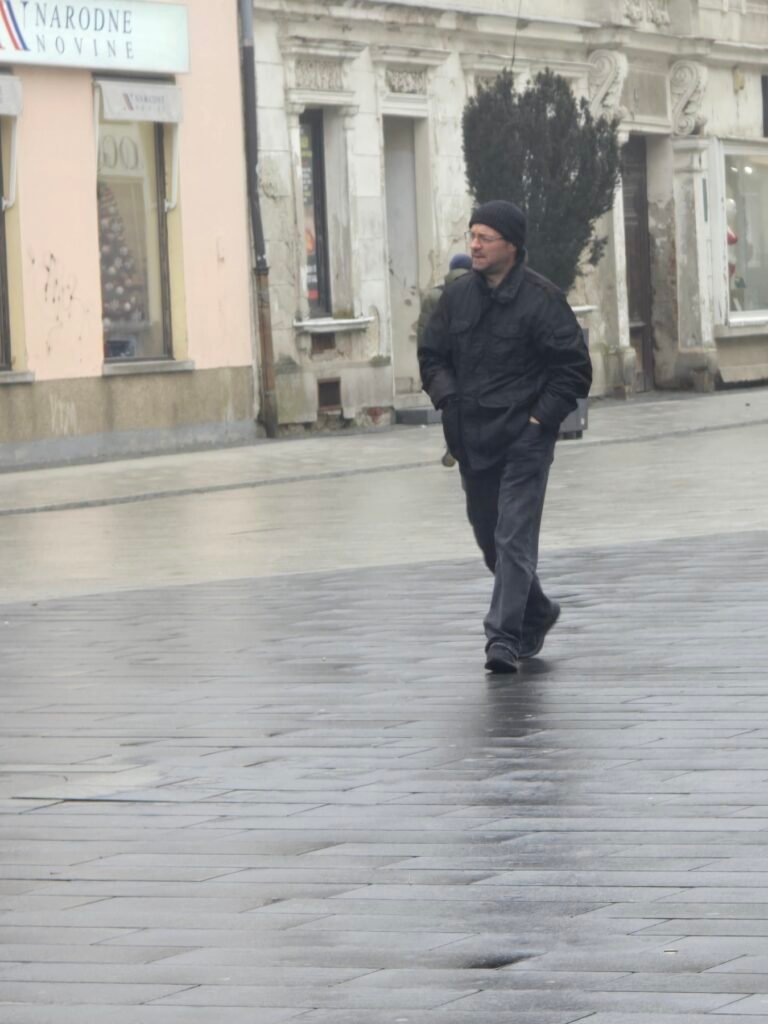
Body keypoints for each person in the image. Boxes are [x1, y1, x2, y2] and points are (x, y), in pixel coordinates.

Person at [418, 199, 592, 674]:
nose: (474, 245)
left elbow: (574, 370)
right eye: (472, 236)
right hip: (472, 438)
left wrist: (539, 422)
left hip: (524, 441)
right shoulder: (456, 298)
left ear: (510, 245)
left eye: (485, 237)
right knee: (490, 539)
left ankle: (503, 638)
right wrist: (449, 400)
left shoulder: (542, 299)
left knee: (513, 536)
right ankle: (538, 610)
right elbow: (432, 356)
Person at [416, 253, 473, 467]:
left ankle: (452, 446)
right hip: (472, 362)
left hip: (444, 364)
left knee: (451, 405)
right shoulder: (478, 290)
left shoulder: (434, 296)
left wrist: (426, 371)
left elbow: (424, 335)